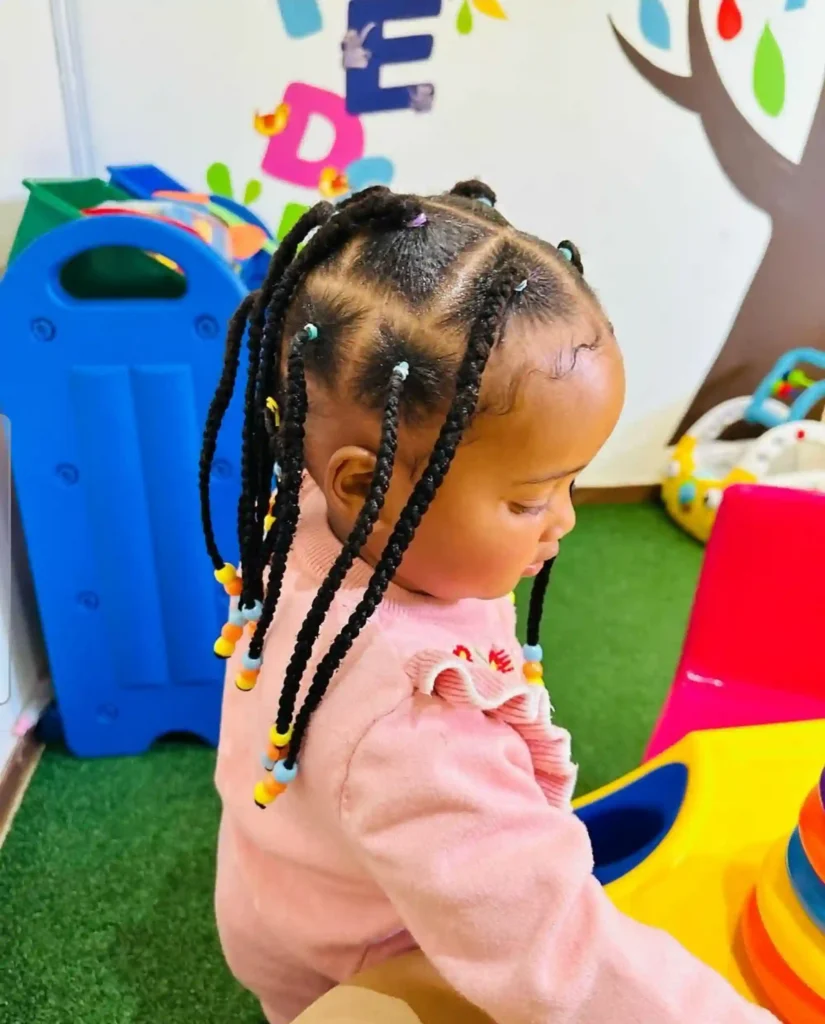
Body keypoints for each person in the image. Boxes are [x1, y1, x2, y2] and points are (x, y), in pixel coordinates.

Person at [199, 182, 777, 1024]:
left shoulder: (303, 517)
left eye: (571, 483)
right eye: (529, 498)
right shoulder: (418, 728)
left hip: (285, 895)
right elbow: (556, 957)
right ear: (364, 484)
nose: (566, 521)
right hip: (360, 969)